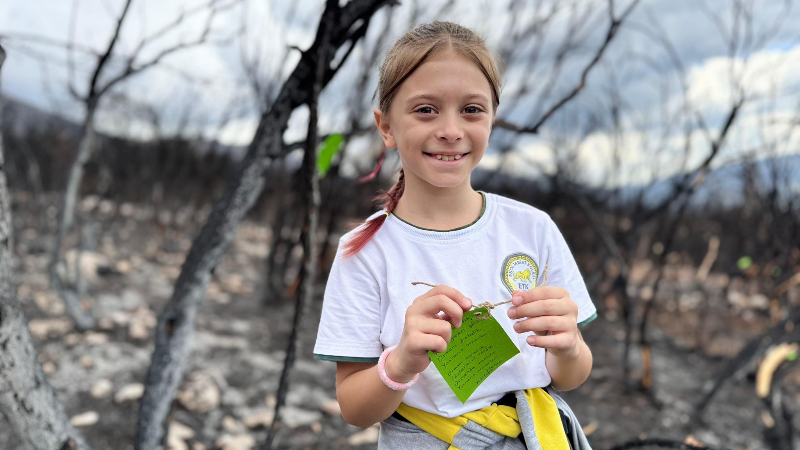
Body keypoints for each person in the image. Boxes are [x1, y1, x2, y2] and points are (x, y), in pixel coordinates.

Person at [314, 21, 597, 450]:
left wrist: (568, 346)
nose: (451, 129)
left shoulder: (533, 229)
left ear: (492, 119)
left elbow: (571, 376)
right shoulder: (365, 252)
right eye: (426, 109)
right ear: (386, 127)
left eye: (472, 109)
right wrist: (401, 362)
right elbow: (355, 409)